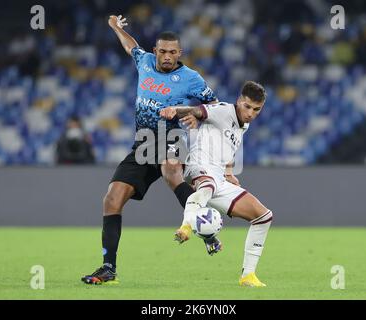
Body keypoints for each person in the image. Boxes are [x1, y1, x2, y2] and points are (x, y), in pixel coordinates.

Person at [81, 15, 218, 285]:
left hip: (171, 136)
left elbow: (214, 104)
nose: (167, 56)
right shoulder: (144, 62)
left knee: (171, 170)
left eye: (172, 52)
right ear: (155, 51)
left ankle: (206, 228)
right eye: (162, 51)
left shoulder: (190, 78)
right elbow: (130, 45)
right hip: (143, 142)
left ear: (180, 53)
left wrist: (196, 115)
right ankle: (108, 268)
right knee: (112, 198)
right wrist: (115, 27)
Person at [160, 81, 273, 287]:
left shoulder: (243, 125)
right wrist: (175, 110)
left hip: (218, 177)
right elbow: (196, 110)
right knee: (208, 185)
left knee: (263, 216)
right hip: (198, 166)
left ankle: (248, 275)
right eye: (247, 106)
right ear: (239, 101)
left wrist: (229, 171)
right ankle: (186, 225)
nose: (250, 113)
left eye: (256, 109)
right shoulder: (223, 110)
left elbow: (227, 147)